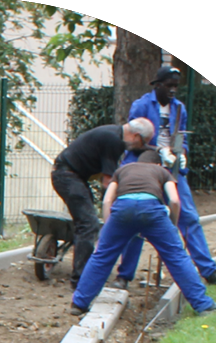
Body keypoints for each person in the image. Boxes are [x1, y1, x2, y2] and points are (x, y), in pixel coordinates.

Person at [120, 66, 216, 286]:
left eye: (176, 86)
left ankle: (209, 271)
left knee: (188, 216)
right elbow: (132, 140)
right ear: (157, 85)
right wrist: (157, 150)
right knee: (136, 219)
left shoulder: (180, 109)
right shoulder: (141, 105)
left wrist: (183, 156)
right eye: (169, 86)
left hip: (171, 171)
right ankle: (124, 276)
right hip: (144, 169)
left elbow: (183, 139)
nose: (173, 90)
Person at [70, 149, 216, 316]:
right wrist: (172, 225)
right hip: (152, 211)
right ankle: (203, 305)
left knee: (102, 256)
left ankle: (79, 303)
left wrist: (109, 226)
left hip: (122, 210)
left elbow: (107, 200)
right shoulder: (161, 171)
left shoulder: (122, 170)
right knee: (176, 256)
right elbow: (175, 200)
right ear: (157, 164)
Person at [49, 119, 149, 285]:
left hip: (71, 175)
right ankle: (81, 280)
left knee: (87, 222)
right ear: (136, 135)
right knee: (89, 224)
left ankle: (83, 275)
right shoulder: (114, 140)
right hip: (67, 176)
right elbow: (108, 182)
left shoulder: (114, 133)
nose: (141, 146)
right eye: (143, 142)